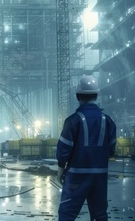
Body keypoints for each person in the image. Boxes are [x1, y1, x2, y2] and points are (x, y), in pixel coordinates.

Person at [56, 76, 117, 220]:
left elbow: (63, 151)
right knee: (99, 214)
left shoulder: (73, 121)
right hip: (100, 176)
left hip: (76, 176)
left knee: (67, 213)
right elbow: (111, 149)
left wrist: (60, 172)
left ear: (78, 96)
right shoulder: (108, 121)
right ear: (96, 95)